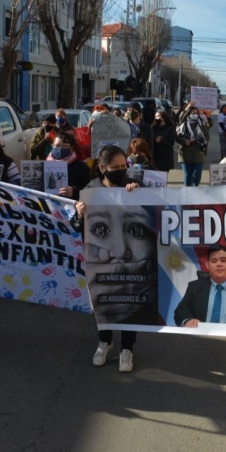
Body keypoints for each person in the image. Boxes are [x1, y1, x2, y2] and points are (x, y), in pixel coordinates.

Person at [73, 145, 142, 372]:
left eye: (124, 166)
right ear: (102, 168)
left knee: (129, 302)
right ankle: (105, 341)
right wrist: (78, 214)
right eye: (115, 167)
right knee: (102, 302)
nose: (121, 171)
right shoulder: (90, 190)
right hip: (100, 261)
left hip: (129, 258)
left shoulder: (132, 188)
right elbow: (77, 228)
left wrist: (140, 195)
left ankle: (127, 348)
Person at [47, 131, 90, 199]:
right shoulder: (44, 166)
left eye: (64, 146)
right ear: (52, 146)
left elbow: (90, 192)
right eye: (57, 146)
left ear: (71, 148)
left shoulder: (82, 168)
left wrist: (74, 191)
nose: (60, 149)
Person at [176, 103, 210, 186]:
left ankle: (195, 190)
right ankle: (187, 194)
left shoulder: (202, 123)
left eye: (196, 113)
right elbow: (177, 137)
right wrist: (184, 141)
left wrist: (199, 139)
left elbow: (207, 137)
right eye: (193, 113)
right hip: (185, 154)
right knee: (187, 175)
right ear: (189, 113)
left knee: (197, 176)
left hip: (199, 154)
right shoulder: (182, 124)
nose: (195, 115)